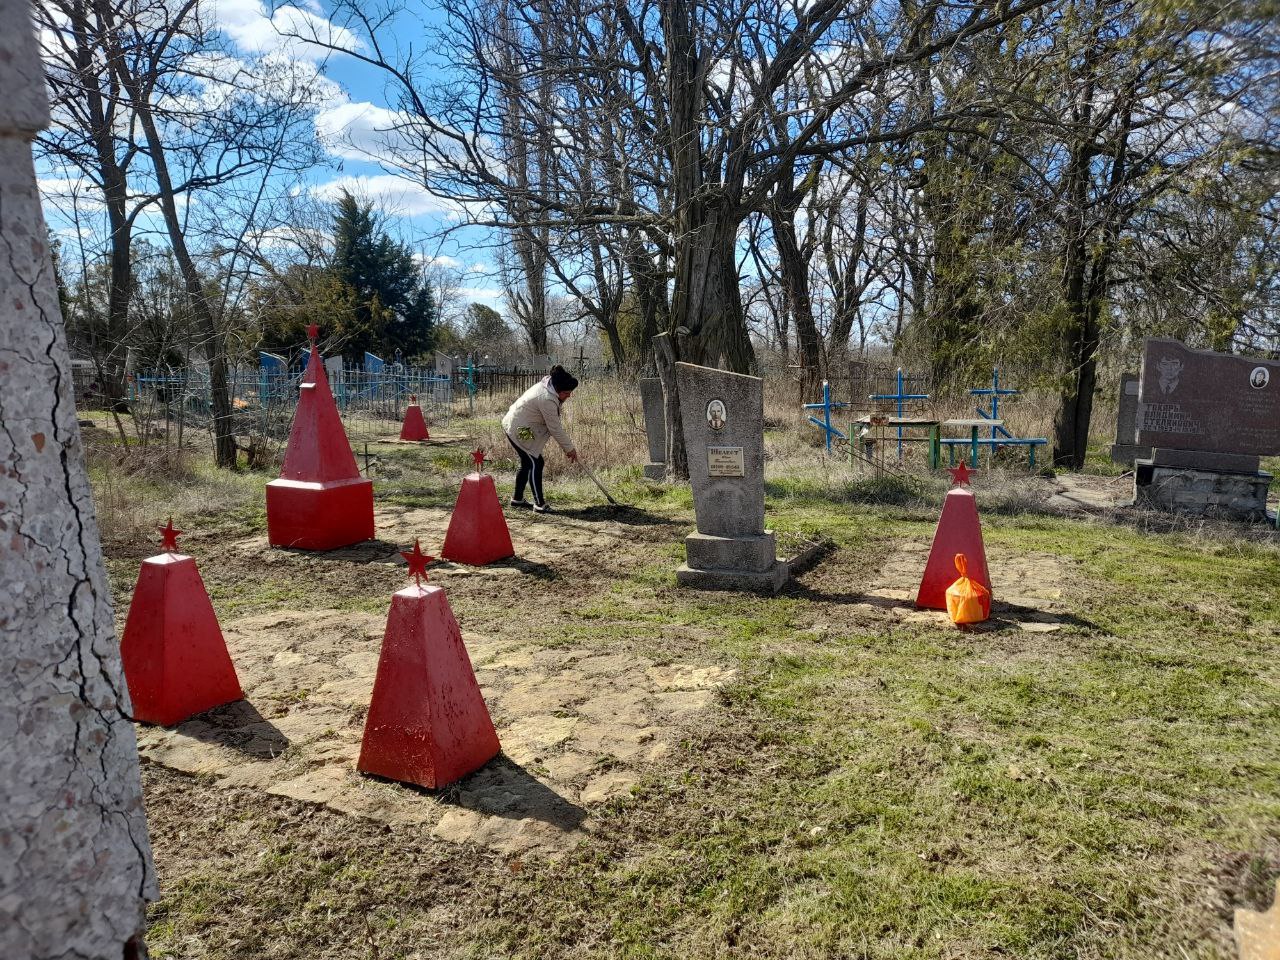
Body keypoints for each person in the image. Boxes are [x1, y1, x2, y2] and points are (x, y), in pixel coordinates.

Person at [502, 365, 579, 513]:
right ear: (558, 390)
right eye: (567, 393)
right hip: (518, 428)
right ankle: (539, 504)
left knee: (527, 462)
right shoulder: (547, 399)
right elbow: (555, 428)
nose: (569, 396)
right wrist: (570, 449)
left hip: (519, 424)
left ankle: (517, 499)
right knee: (535, 462)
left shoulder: (549, 388)